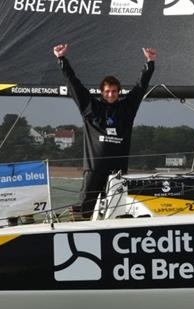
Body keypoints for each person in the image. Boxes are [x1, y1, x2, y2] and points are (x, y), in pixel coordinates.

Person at [53, 43, 156, 219]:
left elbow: (140, 88)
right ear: (101, 92)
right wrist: (61, 59)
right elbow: (73, 84)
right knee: (83, 210)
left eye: (114, 91)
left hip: (117, 171)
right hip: (94, 169)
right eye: (107, 91)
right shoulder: (90, 107)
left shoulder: (127, 108)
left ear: (119, 92)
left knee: (116, 211)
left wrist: (150, 63)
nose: (111, 95)